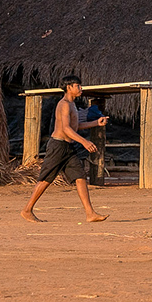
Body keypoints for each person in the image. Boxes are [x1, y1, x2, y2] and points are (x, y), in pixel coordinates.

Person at [21, 75, 109, 223]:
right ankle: (27, 210)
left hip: (68, 147)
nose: (81, 88)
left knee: (80, 177)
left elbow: (75, 126)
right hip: (58, 146)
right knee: (46, 179)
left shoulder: (72, 104)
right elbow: (66, 129)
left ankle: (90, 213)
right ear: (69, 87)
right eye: (78, 86)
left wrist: (96, 123)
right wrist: (84, 142)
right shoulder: (64, 104)